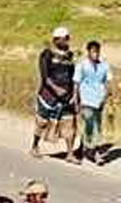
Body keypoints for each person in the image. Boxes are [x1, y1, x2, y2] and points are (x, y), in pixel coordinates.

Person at [34, 28, 77, 158]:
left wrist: (74, 94)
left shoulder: (70, 56)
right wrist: (56, 89)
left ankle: (70, 153)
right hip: (49, 96)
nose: (67, 41)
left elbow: (73, 76)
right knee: (42, 122)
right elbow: (45, 76)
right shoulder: (47, 54)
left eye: (68, 37)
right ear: (56, 40)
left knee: (69, 124)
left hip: (67, 97)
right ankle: (35, 145)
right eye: (64, 38)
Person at [76, 40, 109, 164]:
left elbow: (107, 83)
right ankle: (94, 152)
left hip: (98, 100)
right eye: (93, 51)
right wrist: (76, 99)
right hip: (86, 99)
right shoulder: (82, 65)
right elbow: (76, 83)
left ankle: (82, 147)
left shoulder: (104, 66)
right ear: (88, 52)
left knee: (95, 125)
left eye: (97, 51)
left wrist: (105, 98)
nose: (96, 54)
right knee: (90, 124)